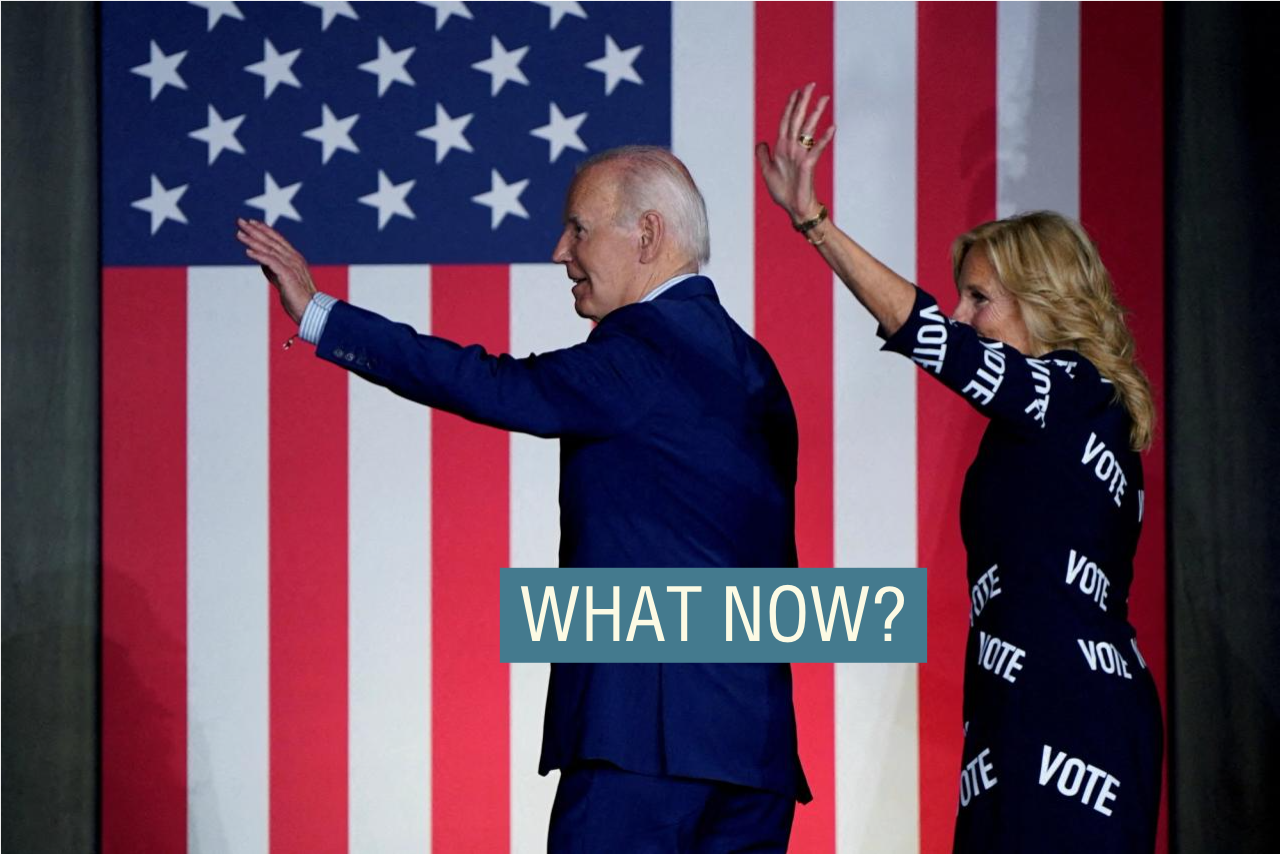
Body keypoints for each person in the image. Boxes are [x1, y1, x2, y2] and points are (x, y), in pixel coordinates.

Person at [237, 145, 810, 852]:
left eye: (578, 228)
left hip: (646, 745)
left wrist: (324, 315)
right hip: (754, 753)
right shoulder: (755, 365)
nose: (559, 252)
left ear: (648, 236)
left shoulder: (644, 352)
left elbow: (495, 385)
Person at [756, 85, 1162, 852]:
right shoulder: (1052, 417)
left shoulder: (1073, 391)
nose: (962, 314)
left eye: (980, 298)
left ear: (1043, 304)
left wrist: (814, 225)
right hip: (1015, 713)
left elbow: (926, 335)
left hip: (1069, 721)